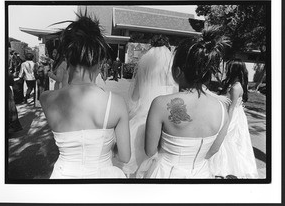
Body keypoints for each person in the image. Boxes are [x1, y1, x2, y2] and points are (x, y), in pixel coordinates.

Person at [40, 14, 131, 179]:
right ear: (99, 59)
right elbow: (125, 157)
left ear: (67, 56)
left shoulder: (46, 98)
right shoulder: (116, 102)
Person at [136, 26, 231, 178]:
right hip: (202, 174)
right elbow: (213, 150)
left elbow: (150, 150)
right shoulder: (222, 108)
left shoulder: (160, 104)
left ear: (177, 71)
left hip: (166, 173)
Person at [113, 35, 178, 177]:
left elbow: (135, 96)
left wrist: (134, 110)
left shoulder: (145, 62)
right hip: (167, 118)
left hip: (144, 117)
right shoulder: (172, 64)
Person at [209, 59, 258, 178]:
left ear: (234, 71)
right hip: (235, 113)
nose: (226, 70)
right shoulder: (234, 84)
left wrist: (226, 124)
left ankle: (227, 167)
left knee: (229, 140)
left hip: (233, 117)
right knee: (232, 143)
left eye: (228, 69)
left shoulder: (236, 87)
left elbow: (231, 108)